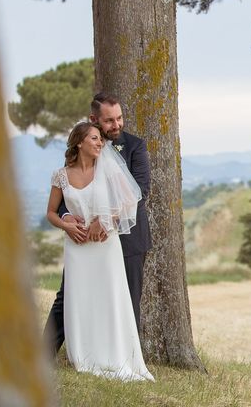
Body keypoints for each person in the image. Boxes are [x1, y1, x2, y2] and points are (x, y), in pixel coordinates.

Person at [44, 93, 153, 357]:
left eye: (119, 118)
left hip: (127, 240)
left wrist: (106, 221)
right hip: (81, 240)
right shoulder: (84, 148)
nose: (116, 125)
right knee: (67, 295)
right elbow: (66, 194)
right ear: (94, 120)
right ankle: (43, 355)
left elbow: (141, 191)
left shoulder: (135, 147)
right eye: (109, 121)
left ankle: (125, 356)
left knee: (125, 299)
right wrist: (68, 219)